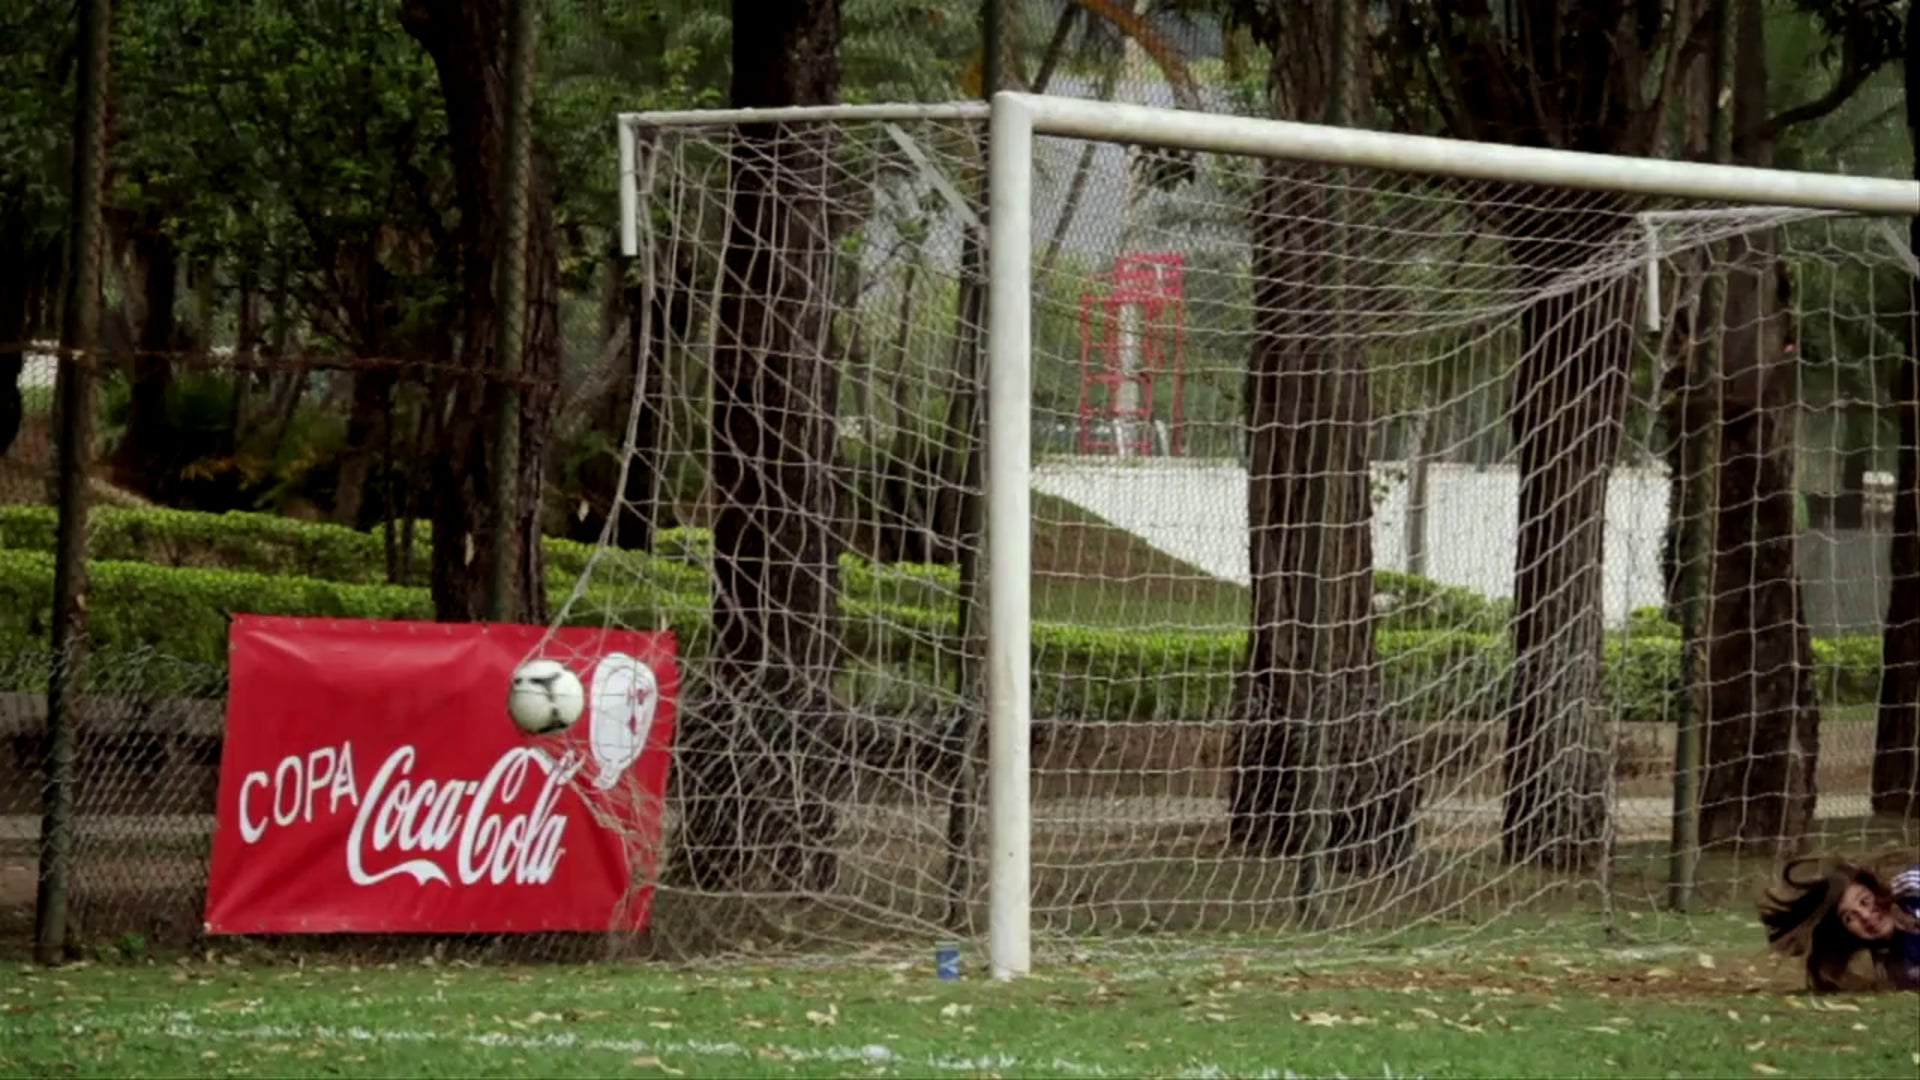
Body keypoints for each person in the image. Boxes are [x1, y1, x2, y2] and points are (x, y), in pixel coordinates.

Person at [1758, 853, 1920, 993]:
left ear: (1876, 890)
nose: (1864, 916)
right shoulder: (1890, 966)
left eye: (1864, 901)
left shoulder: (1912, 887)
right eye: (1849, 918)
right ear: (1845, 932)